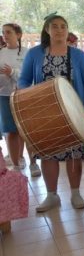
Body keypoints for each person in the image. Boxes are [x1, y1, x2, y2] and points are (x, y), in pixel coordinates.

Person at [18, 14, 84, 211]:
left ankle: (76, 193)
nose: (59, 30)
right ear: (47, 30)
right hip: (45, 113)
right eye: (55, 26)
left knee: (74, 154)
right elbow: (24, 80)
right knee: (48, 154)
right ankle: (52, 196)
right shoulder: (34, 53)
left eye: (63, 26)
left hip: (75, 113)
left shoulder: (79, 55)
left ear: (67, 30)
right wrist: (28, 98)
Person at [0, 23, 41, 177]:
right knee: (11, 132)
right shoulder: (1, 53)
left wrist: (12, 72)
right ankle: (16, 165)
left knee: (27, 131)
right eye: (3, 32)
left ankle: (33, 163)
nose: (5, 35)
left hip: (25, 95)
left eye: (8, 32)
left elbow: (30, 76)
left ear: (18, 35)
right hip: (5, 96)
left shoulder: (27, 53)